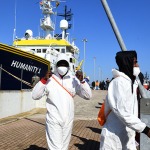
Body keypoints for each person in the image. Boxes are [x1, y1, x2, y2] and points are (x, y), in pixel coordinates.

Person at [32, 53, 92, 150]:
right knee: (56, 148)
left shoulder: (74, 80)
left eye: (65, 64)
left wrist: (82, 82)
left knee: (64, 147)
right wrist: (43, 80)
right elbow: (35, 96)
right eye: (60, 64)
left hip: (68, 120)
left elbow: (88, 96)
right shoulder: (49, 79)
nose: (62, 67)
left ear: (68, 66)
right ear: (56, 65)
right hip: (53, 119)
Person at [99, 50, 150, 150]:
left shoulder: (131, 83)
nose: (137, 65)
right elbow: (123, 113)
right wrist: (145, 129)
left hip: (127, 137)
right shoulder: (119, 83)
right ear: (127, 63)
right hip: (114, 139)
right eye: (135, 62)